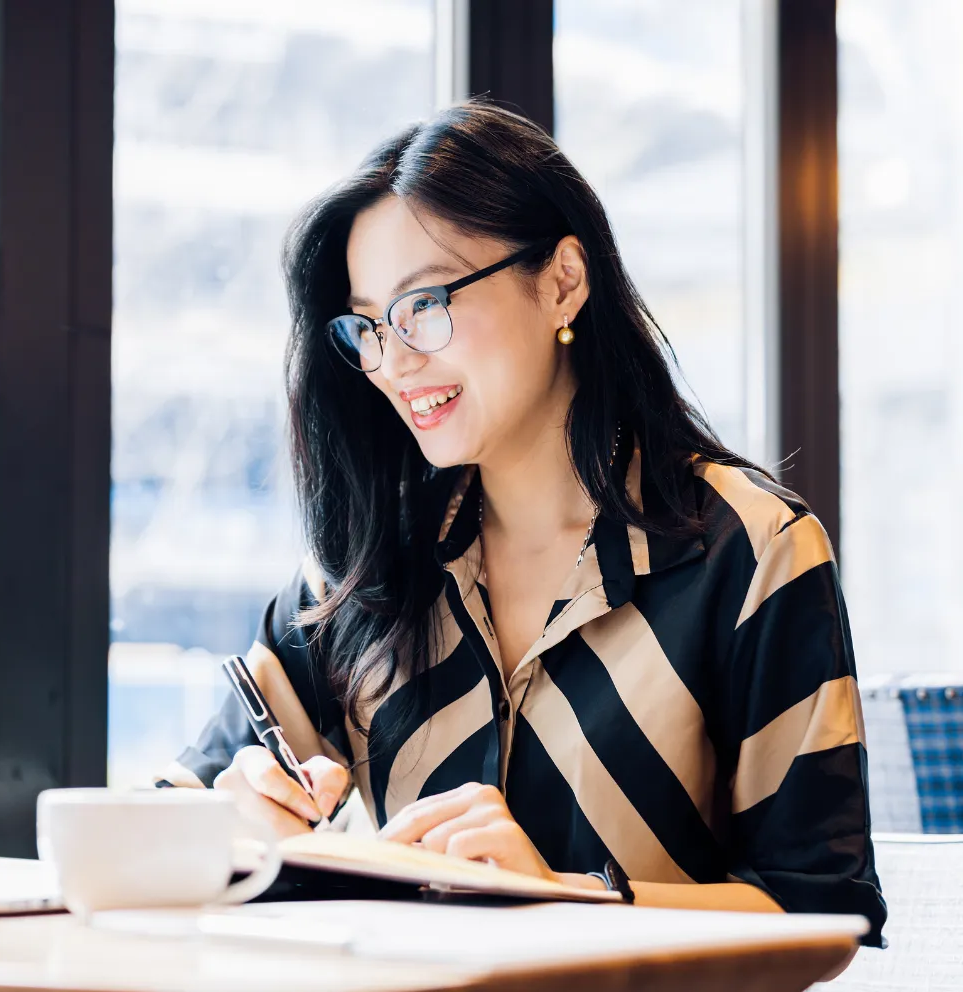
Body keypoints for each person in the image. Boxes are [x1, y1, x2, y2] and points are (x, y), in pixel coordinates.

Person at [155, 101, 885, 946]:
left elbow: (827, 913)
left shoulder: (750, 551)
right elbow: (152, 827)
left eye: (424, 304)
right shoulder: (364, 568)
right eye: (368, 327)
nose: (393, 363)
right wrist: (236, 825)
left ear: (562, 281)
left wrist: (572, 899)